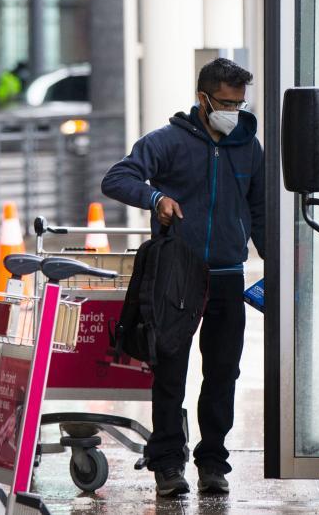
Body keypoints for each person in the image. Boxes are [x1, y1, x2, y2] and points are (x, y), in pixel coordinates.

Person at [101, 58, 265, 496]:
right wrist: (156, 197)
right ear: (203, 99)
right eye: (226, 103)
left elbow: (260, 210)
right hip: (176, 277)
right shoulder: (168, 142)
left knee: (223, 374)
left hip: (228, 275)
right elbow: (116, 179)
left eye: (240, 103)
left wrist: (284, 269)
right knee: (170, 373)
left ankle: (213, 462)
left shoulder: (249, 145)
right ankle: (169, 465)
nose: (234, 112)